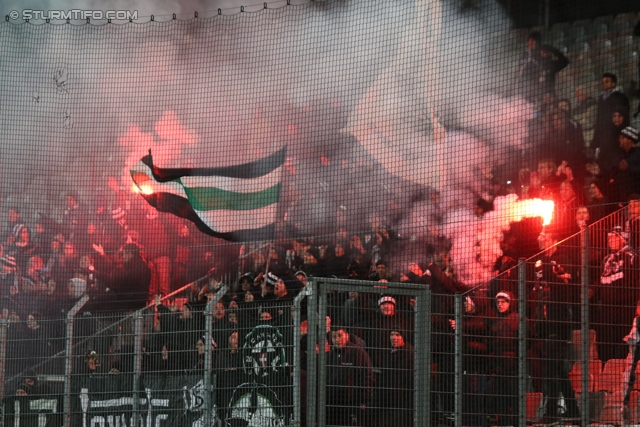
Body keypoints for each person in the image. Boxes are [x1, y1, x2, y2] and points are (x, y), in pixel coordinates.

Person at [592, 226, 638, 362]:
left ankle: (623, 374)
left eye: (613, 237)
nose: (610, 240)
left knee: (623, 343)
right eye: (608, 238)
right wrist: (593, 290)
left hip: (625, 308)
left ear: (623, 239)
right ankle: (606, 372)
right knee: (605, 342)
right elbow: (601, 279)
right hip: (606, 308)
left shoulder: (632, 256)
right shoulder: (606, 259)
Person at [326, 325, 374, 427]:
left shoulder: (358, 353)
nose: (337, 339)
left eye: (340, 335)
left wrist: (363, 399)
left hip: (351, 403)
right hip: (332, 403)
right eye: (334, 337)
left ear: (346, 336)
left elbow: (367, 376)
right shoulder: (330, 355)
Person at [591, 73, 630, 174]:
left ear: (614, 83)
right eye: (603, 82)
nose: (604, 84)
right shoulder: (601, 99)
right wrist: (596, 141)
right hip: (604, 139)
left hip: (615, 138)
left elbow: (623, 118)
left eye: (607, 82)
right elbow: (598, 119)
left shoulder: (620, 97)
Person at [516, 31, 569, 104]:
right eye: (529, 40)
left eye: (533, 40)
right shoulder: (526, 58)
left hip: (548, 96)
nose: (530, 43)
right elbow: (520, 72)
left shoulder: (550, 64)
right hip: (530, 96)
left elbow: (565, 61)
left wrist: (550, 49)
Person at [612, 127, 640, 202]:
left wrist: (629, 167)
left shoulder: (638, 155)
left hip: (637, 202)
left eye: (622, 137)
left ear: (630, 140)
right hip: (625, 202)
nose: (619, 140)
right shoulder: (620, 155)